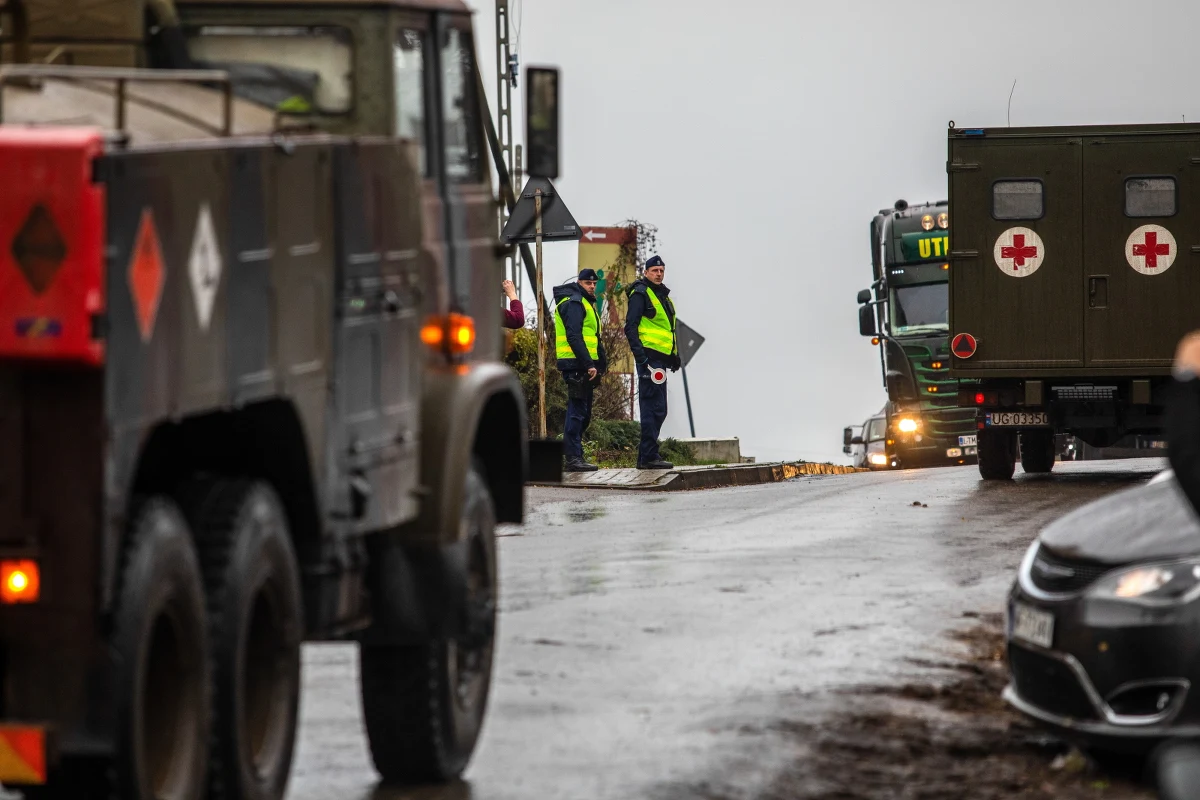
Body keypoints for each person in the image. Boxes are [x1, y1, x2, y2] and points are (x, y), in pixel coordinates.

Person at [624, 255, 680, 470]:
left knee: (659, 408)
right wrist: (642, 358)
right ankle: (648, 457)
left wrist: (672, 357)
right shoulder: (641, 293)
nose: (659, 274)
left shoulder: (663, 296)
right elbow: (631, 327)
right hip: (649, 360)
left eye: (662, 271)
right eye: (655, 270)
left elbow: (667, 330)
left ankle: (647, 456)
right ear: (646, 272)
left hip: (659, 360)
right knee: (652, 407)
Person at [553, 269, 606, 472]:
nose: (592, 286)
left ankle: (574, 456)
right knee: (577, 413)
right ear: (579, 283)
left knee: (583, 413)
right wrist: (589, 364)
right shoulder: (575, 303)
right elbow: (574, 336)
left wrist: (600, 364)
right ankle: (572, 458)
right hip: (576, 366)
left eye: (594, 283)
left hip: (583, 366)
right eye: (587, 283)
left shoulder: (586, 303)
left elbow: (594, 338)